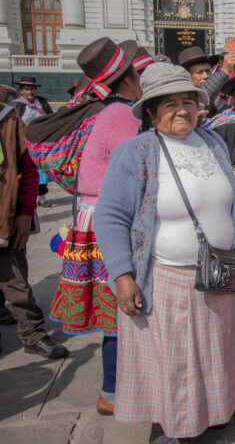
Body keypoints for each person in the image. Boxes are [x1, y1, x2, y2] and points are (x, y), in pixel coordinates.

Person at [94, 62, 235, 442]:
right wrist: (122, 276)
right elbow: (111, 216)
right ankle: (174, 430)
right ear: (150, 112)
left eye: (188, 100)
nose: (182, 109)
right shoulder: (136, 152)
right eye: (168, 104)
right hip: (169, 279)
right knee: (179, 367)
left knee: (215, 356)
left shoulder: (213, 142)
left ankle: (213, 414)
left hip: (217, 273)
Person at [47, 37, 142, 415]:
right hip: (109, 218)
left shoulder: (101, 111)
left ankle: (115, 388)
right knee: (119, 308)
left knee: (115, 310)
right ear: (129, 80)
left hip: (92, 213)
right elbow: (139, 167)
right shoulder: (121, 115)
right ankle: (113, 392)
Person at [0, 101, 68, 359]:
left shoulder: (9, 120)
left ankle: (33, 334)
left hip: (6, 218)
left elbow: (28, 170)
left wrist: (25, 212)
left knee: (16, 281)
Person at [12, 76, 54, 207]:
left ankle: (41, 197)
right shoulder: (16, 105)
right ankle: (23, 198)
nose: (30, 92)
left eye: (32, 89)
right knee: (24, 171)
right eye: (26, 89)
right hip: (24, 143)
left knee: (41, 172)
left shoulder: (42, 103)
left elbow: (51, 119)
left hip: (40, 142)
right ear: (21, 91)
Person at [177, 45, 235, 115]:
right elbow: (201, 98)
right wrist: (224, 71)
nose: (205, 76)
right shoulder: (182, 98)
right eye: (199, 72)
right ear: (187, 76)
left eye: (208, 71)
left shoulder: (220, 98)